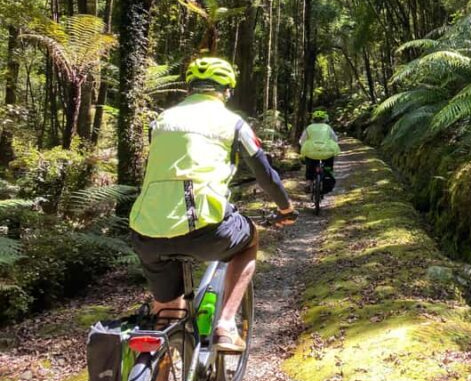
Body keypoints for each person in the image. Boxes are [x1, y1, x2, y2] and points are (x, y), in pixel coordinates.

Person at [129, 56, 298, 354]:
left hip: (146, 232)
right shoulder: (233, 122)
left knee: (167, 320)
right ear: (227, 91)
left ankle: (155, 380)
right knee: (249, 239)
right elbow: (265, 174)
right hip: (205, 227)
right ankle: (226, 326)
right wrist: (286, 208)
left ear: (190, 88)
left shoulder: (161, 120)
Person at [299, 110, 340, 193]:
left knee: (309, 168)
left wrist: (303, 146)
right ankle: (327, 178)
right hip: (326, 152)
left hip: (311, 153)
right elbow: (335, 139)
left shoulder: (309, 128)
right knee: (328, 167)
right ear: (324, 119)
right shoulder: (328, 128)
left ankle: (308, 183)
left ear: (313, 119)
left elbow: (302, 141)